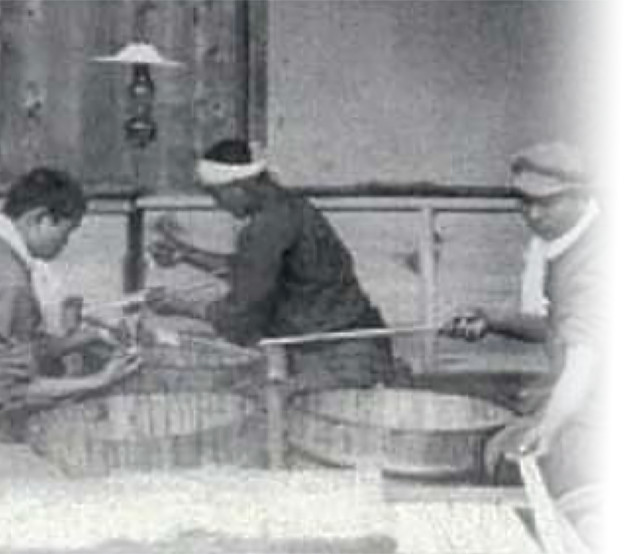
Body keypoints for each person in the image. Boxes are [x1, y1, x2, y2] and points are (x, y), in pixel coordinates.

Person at [441, 142, 603, 550]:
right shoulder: (567, 245)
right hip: (583, 399)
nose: (533, 214)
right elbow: (559, 328)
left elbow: (583, 362)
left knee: (559, 481)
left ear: (581, 196)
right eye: (524, 201)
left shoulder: (597, 260)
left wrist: (549, 428)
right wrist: (493, 319)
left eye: (547, 203)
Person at [146, 139, 399, 391]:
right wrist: (186, 254)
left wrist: (180, 306)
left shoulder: (268, 227)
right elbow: (252, 270)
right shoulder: (292, 208)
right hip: (355, 345)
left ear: (238, 187)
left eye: (216, 195)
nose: (218, 204)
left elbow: (242, 313)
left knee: (255, 395)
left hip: (342, 358)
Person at [0, 168, 140, 451]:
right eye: (66, 233)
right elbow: (11, 392)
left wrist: (87, 337)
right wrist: (99, 380)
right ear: (40, 218)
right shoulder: (12, 281)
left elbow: (13, 353)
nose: (65, 243)